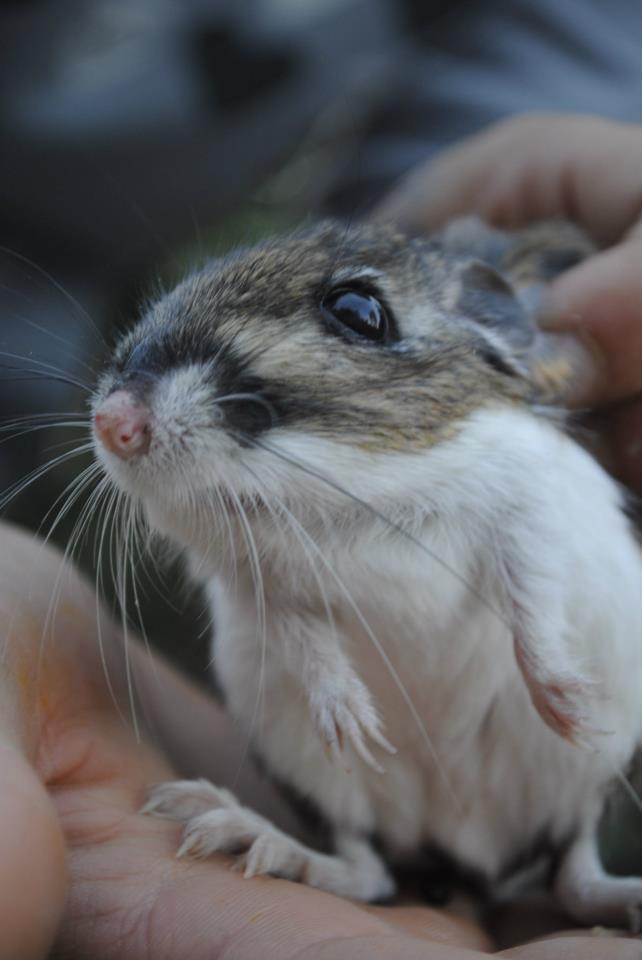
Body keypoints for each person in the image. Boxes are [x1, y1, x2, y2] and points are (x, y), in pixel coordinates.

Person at [2, 111, 642, 959]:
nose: (118, 421)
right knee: (243, 606)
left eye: (353, 313)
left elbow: (523, 537)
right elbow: (273, 593)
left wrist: (541, 651)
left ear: (494, 337)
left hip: (536, 732)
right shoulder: (241, 502)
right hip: (379, 778)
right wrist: (323, 675)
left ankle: (573, 857)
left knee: (590, 537)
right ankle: (357, 852)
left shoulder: (500, 447)